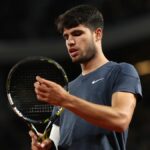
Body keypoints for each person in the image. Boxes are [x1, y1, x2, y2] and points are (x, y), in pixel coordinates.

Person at [29, 4, 142, 150]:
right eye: (66, 36)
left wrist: (66, 99)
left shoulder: (121, 71)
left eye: (77, 33)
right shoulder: (65, 92)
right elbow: (55, 144)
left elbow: (121, 119)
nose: (70, 42)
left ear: (97, 34)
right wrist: (45, 147)